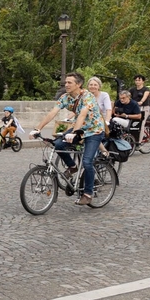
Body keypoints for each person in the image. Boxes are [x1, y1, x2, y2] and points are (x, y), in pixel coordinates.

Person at [28, 72, 104, 206]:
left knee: (87, 162)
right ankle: (72, 166)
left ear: (78, 84)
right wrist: (38, 128)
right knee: (58, 144)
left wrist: (74, 132)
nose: (66, 85)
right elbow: (52, 112)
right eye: (65, 82)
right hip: (78, 128)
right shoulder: (65, 97)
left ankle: (88, 193)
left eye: (69, 82)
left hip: (93, 130)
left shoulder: (88, 96)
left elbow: (82, 115)